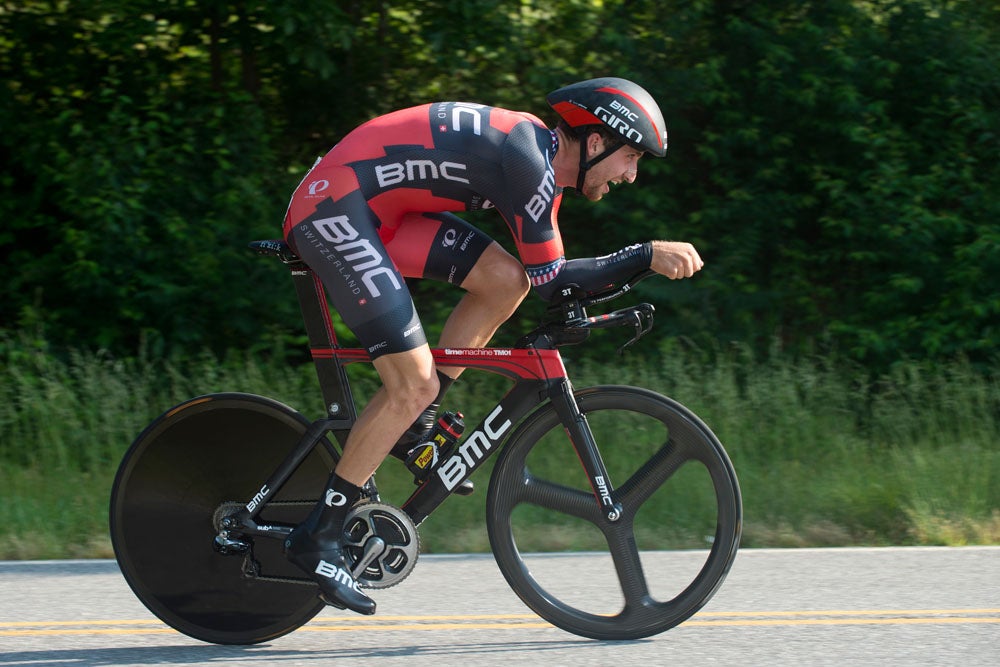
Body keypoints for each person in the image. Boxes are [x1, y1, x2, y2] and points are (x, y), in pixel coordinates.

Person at [281, 77, 704, 614]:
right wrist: (644, 254)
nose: (632, 174)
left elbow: (540, 278)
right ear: (596, 143)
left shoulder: (537, 161)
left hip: (378, 212)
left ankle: (417, 423)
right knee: (411, 383)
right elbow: (557, 281)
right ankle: (318, 535)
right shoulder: (529, 163)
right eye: (631, 157)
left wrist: (631, 267)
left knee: (507, 282)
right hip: (335, 208)